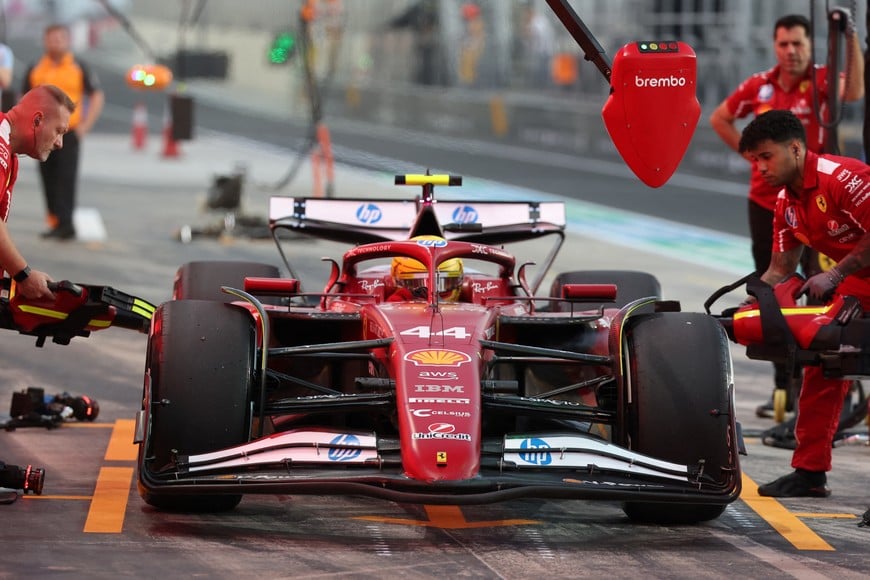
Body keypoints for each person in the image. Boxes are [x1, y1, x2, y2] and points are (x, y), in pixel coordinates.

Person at [709, 13, 864, 418]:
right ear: (774, 46)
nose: (791, 51)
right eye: (784, 44)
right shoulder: (758, 84)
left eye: (798, 43)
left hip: (826, 206)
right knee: (775, 293)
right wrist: (746, 305)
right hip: (777, 204)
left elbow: (856, 91)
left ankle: (838, 384)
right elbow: (720, 117)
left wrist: (851, 39)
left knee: (826, 300)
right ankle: (786, 383)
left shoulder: (823, 83)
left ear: (809, 46)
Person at [738, 109, 870, 497]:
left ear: (795, 148)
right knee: (825, 362)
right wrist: (751, 303)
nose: (760, 167)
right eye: (754, 161)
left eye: (766, 156)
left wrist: (835, 274)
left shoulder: (843, 177)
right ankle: (810, 474)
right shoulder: (785, 202)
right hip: (858, 289)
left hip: (851, 281)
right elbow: (780, 268)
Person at [22, 23, 105, 241]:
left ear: (67, 41)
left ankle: (66, 223)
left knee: (66, 177)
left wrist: (86, 126)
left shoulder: (79, 66)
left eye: (59, 39)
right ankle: (54, 220)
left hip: (69, 132)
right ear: (45, 41)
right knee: (47, 176)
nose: (55, 43)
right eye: (51, 39)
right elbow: (24, 98)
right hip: (41, 133)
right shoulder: (36, 67)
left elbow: (96, 95)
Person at [1, 84, 73, 299]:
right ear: (37, 120)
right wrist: (23, 274)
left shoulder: (10, 156)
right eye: (58, 131)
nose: (59, 143)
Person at [390, 237, 464, 302]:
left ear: (459, 281)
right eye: (417, 285)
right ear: (396, 280)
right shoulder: (394, 301)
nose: (430, 296)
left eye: (440, 284)